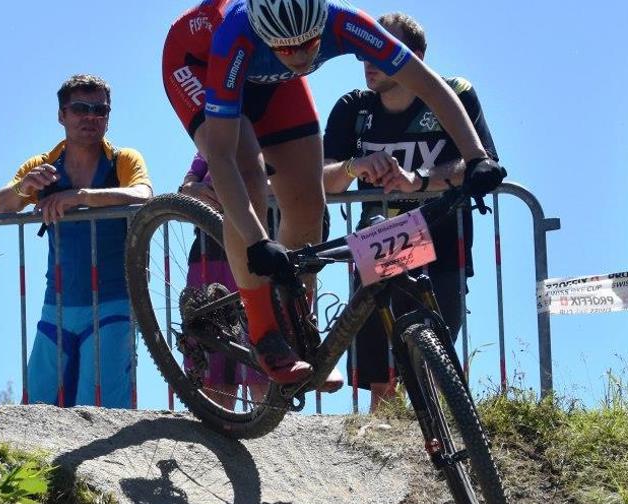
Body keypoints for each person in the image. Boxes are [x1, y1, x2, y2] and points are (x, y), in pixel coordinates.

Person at [162, 0, 506, 387]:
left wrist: (477, 158)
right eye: (289, 49)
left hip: (269, 75)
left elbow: (430, 85)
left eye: (310, 45)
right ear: (266, 32)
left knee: (309, 200)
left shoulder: (345, 23)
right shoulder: (233, 35)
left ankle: (296, 326)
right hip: (200, 65)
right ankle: (264, 332)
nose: (302, 57)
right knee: (249, 174)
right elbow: (221, 158)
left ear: (320, 28)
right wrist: (259, 241)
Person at [322, 12, 499, 412]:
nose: (368, 59)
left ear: (414, 56)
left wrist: (415, 179)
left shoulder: (454, 93)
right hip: (380, 238)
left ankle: (438, 454)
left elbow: (481, 163)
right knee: (382, 375)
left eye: (381, 49)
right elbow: (321, 181)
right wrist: (354, 167)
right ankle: (383, 448)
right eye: (364, 50)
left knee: (431, 365)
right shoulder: (353, 107)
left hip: (442, 239)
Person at [0, 74, 153, 408]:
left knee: (102, 410)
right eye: (80, 108)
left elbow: (144, 195)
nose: (91, 117)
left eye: (100, 110)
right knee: (37, 409)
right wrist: (24, 188)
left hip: (115, 302)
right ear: (61, 115)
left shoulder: (123, 160)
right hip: (57, 307)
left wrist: (81, 197)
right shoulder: (43, 165)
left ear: (109, 116)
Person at [179, 152, 271, 409]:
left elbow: (295, 182)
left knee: (264, 359)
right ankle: (215, 434)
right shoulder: (213, 139)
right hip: (209, 256)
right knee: (212, 360)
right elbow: (186, 185)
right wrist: (193, 189)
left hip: (259, 253)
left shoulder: (276, 134)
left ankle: (270, 438)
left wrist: (240, 190)